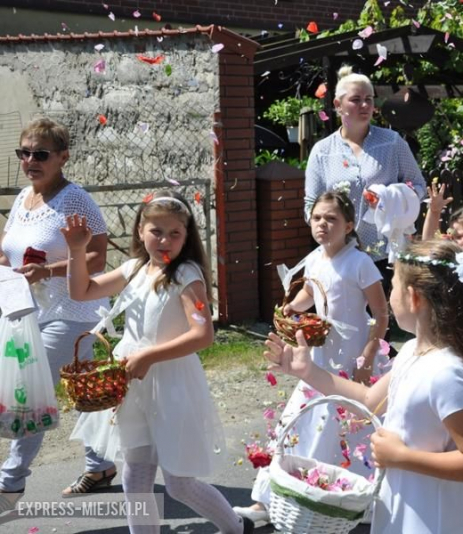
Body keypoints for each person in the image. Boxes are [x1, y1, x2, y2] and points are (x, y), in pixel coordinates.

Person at [264, 240, 463, 533]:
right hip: (408, 501)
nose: (389, 297)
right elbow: (368, 399)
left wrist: (402, 457)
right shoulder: (412, 352)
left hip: (440, 515)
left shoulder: (448, 374)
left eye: (392, 288)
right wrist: (309, 371)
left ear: (414, 298)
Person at [63, 191, 252, 534]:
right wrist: (77, 250)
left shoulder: (186, 275)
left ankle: (235, 527)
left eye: (174, 233)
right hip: (133, 385)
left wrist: (149, 355)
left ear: (186, 236)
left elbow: (203, 335)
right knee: (135, 477)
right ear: (140, 230)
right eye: (156, 231)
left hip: (171, 385)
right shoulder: (134, 269)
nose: (165, 240)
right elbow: (82, 291)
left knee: (179, 483)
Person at [234, 190, 389, 527]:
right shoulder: (316, 258)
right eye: (317, 218)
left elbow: (381, 312)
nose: (322, 224)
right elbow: (310, 291)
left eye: (331, 219)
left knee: (346, 428)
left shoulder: (359, 263)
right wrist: (292, 307)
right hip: (320, 354)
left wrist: (368, 354)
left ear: (349, 225)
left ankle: (357, 503)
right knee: (298, 418)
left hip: (352, 355)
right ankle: (267, 500)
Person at [0, 118, 117, 496]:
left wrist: (48, 271)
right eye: (24, 153)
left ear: (63, 157)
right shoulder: (24, 197)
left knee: (30, 393)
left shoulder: (75, 199)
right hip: (27, 311)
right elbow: (7, 252)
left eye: (41, 154)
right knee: (82, 389)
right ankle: (100, 466)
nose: (30, 161)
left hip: (73, 310)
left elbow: (97, 257)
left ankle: (9, 484)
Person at [304, 65, 427, 270]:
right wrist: (326, 226)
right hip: (340, 255)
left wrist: (391, 198)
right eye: (356, 99)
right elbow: (311, 205)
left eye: (369, 99)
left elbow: (419, 187)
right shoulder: (322, 151)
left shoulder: (392, 142)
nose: (365, 105)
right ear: (338, 104)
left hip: (386, 255)